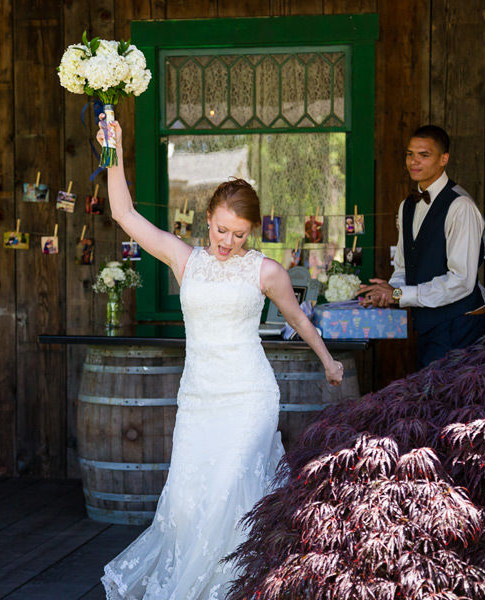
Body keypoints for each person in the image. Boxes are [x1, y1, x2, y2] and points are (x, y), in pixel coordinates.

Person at [97, 118, 344, 600]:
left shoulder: (266, 270)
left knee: (234, 496)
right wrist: (115, 149)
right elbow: (124, 213)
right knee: (190, 506)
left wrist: (329, 362)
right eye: (221, 229)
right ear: (207, 216)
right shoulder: (183, 258)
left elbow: (298, 319)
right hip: (198, 399)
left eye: (240, 234)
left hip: (248, 397)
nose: (228, 242)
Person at [359, 125, 485, 368]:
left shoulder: (461, 206)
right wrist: (389, 291)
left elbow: (462, 280)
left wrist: (399, 295)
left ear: (444, 159)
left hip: (459, 325)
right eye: (410, 154)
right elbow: (402, 267)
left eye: (424, 155)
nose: (414, 161)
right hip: (428, 324)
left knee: (454, 402)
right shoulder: (407, 205)